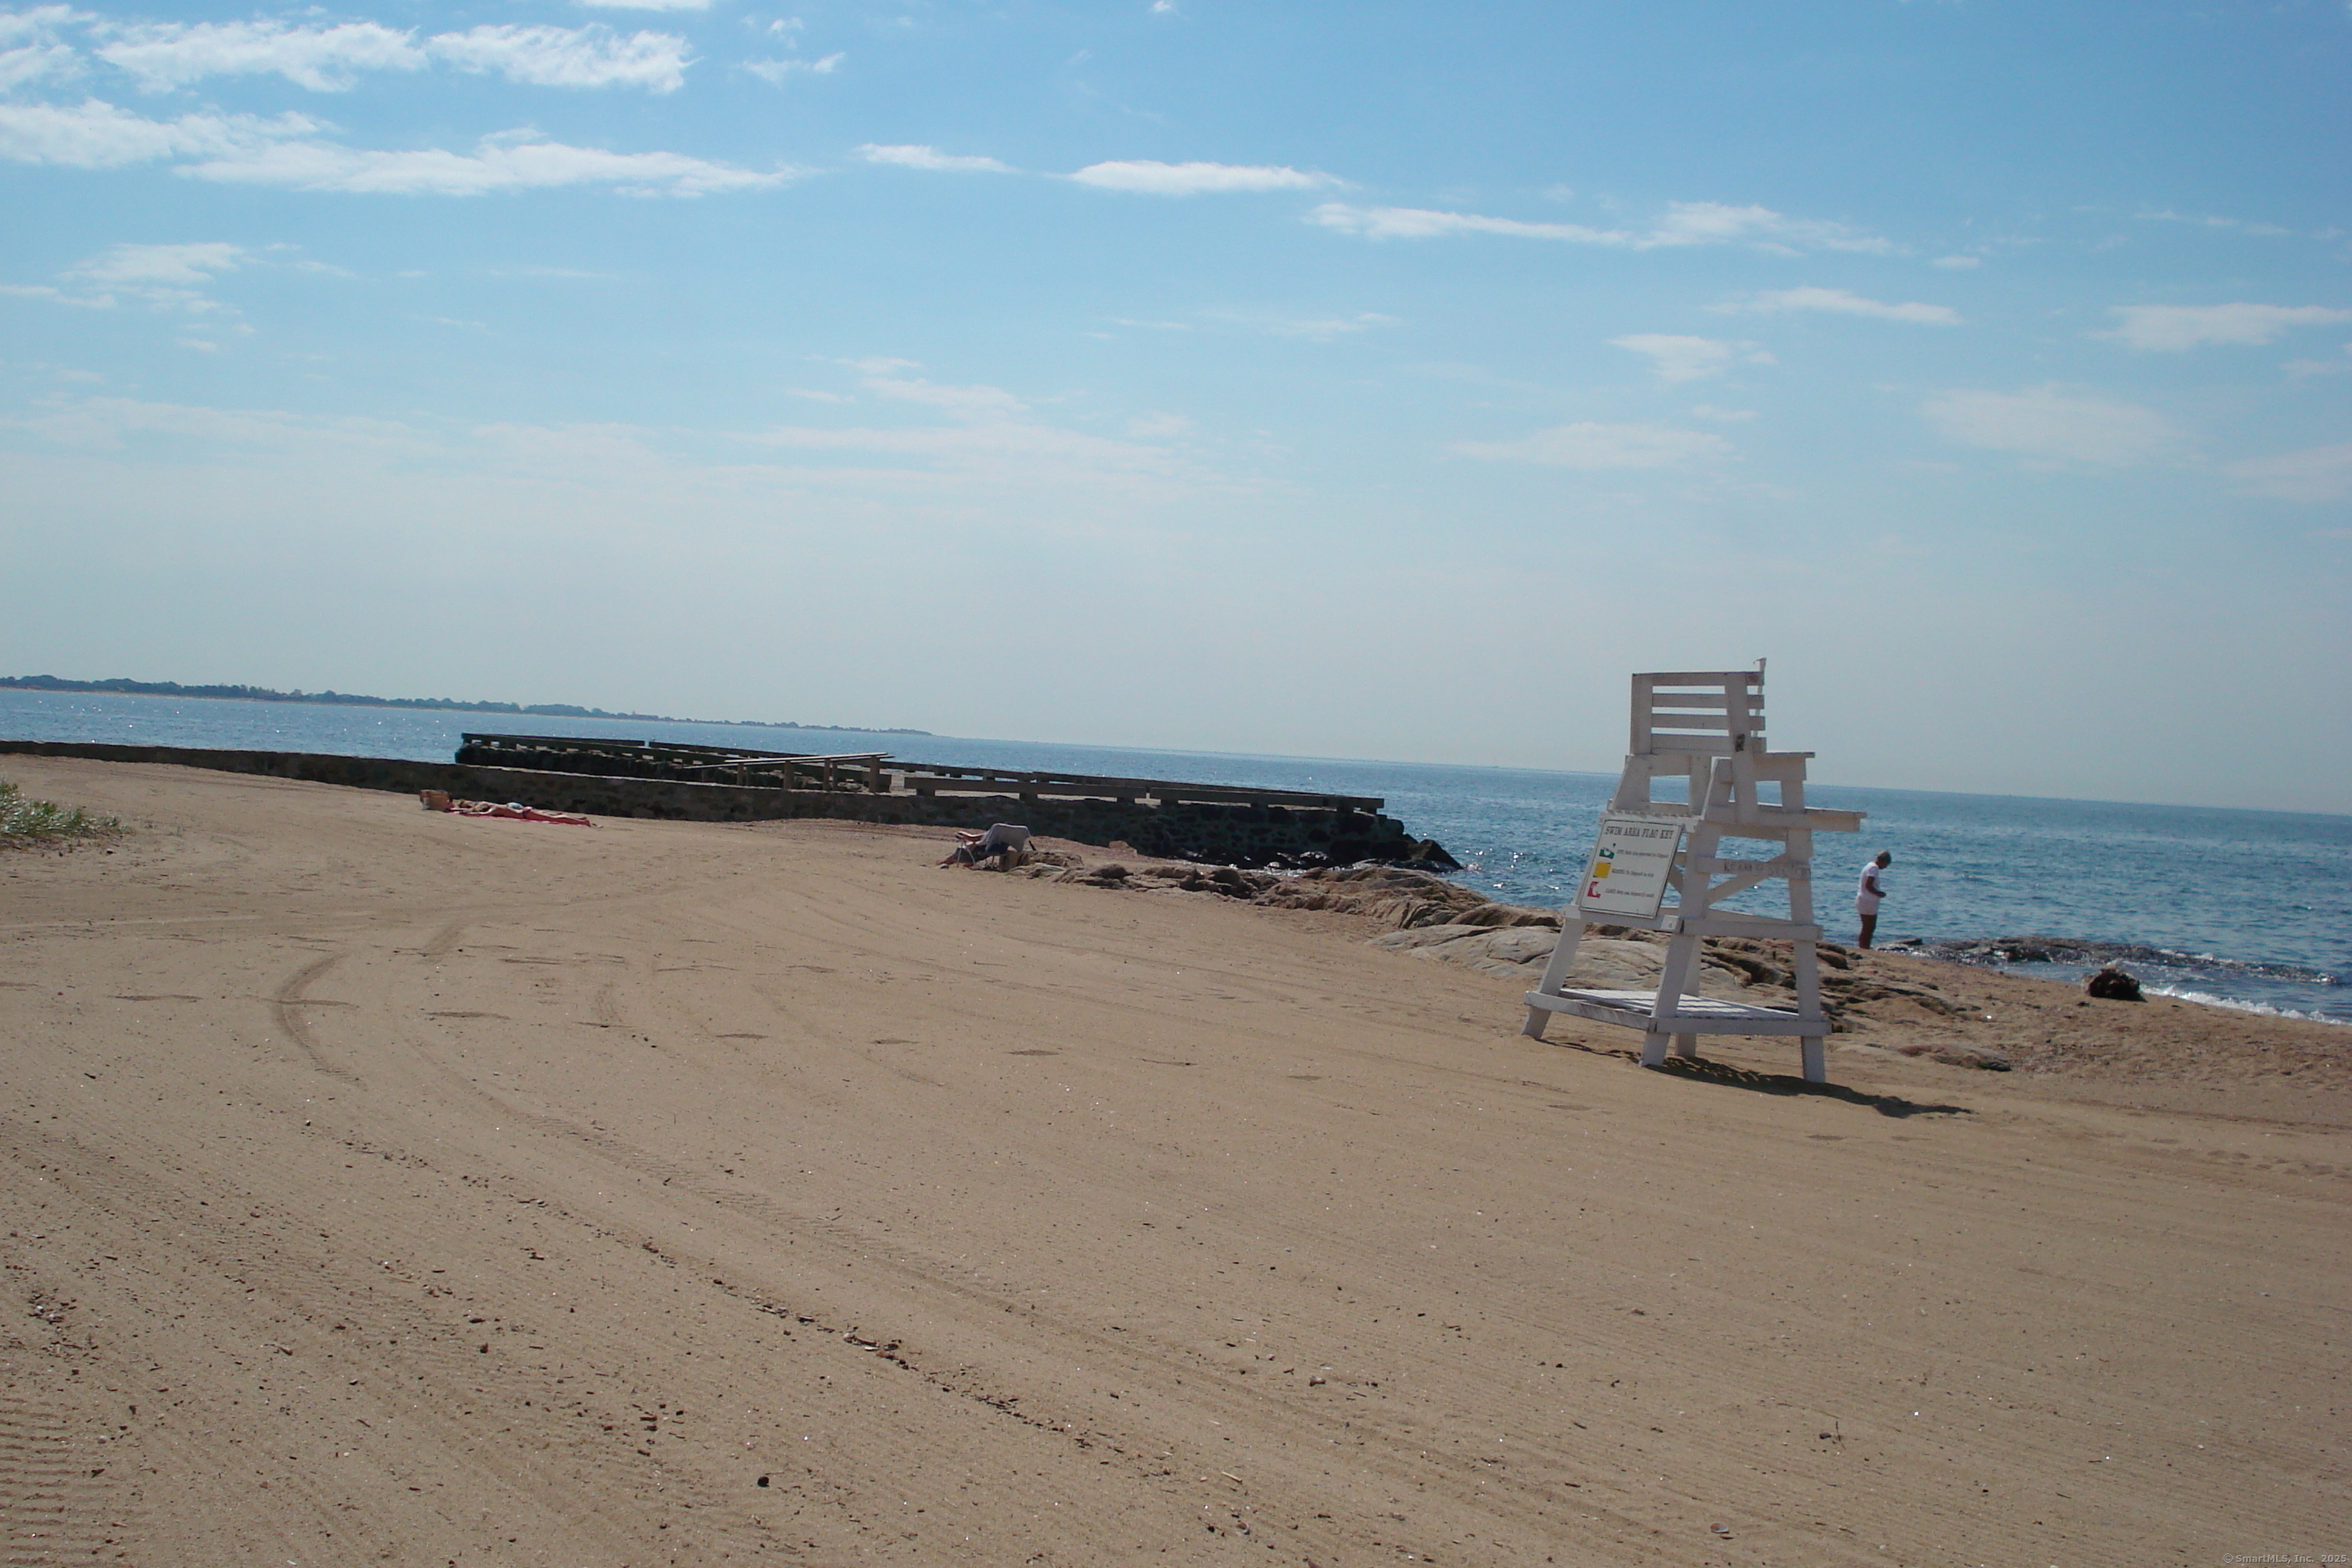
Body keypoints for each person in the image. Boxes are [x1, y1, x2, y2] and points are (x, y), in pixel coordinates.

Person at [940, 822, 1032, 868]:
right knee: (970, 856)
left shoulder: (991, 836)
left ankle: (943, 864)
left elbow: (973, 838)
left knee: (957, 855)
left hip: (980, 851)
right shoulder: (1002, 840)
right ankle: (964, 864)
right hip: (997, 850)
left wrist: (962, 836)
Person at [1855, 850, 1893, 949]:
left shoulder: (1869, 866)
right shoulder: (1873, 868)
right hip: (1868, 901)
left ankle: (1863, 946)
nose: (1885, 867)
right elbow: (1868, 885)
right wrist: (1879, 894)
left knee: (1866, 927)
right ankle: (1865, 947)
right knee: (1869, 927)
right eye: (1886, 864)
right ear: (1882, 861)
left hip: (1864, 899)